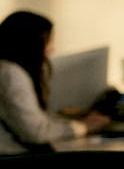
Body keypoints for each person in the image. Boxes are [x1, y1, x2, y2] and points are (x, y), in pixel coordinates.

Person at [0, 10, 109, 154]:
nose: (52, 50)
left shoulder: (7, 69)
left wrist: (71, 123)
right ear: (31, 42)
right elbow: (36, 132)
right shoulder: (11, 74)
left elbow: (33, 122)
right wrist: (83, 126)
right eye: (48, 42)